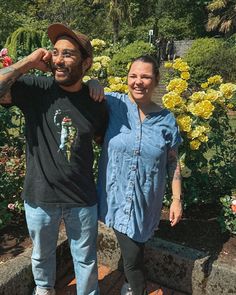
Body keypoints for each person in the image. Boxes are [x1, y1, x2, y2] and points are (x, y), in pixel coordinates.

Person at [0, 23, 107, 295]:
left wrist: (95, 84)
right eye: (55, 52)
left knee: (85, 260)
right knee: (41, 256)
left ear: (86, 63)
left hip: (81, 198)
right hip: (40, 196)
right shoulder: (37, 89)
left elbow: (102, 139)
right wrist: (26, 63)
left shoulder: (96, 102)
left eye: (68, 54)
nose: (58, 59)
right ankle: (44, 290)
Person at [97, 55, 183, 295]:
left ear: (155, 80)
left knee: (137, 244)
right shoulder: (114, 103)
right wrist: (93, 82)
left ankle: (128, 283)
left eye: (145, 76)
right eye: (133, 75)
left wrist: (176, 199)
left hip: (147, 200)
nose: (138, 81)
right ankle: (137, 288)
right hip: (116, 196)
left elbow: (173, 161)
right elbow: (80, 97)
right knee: (132, 254)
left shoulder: (167, 120)